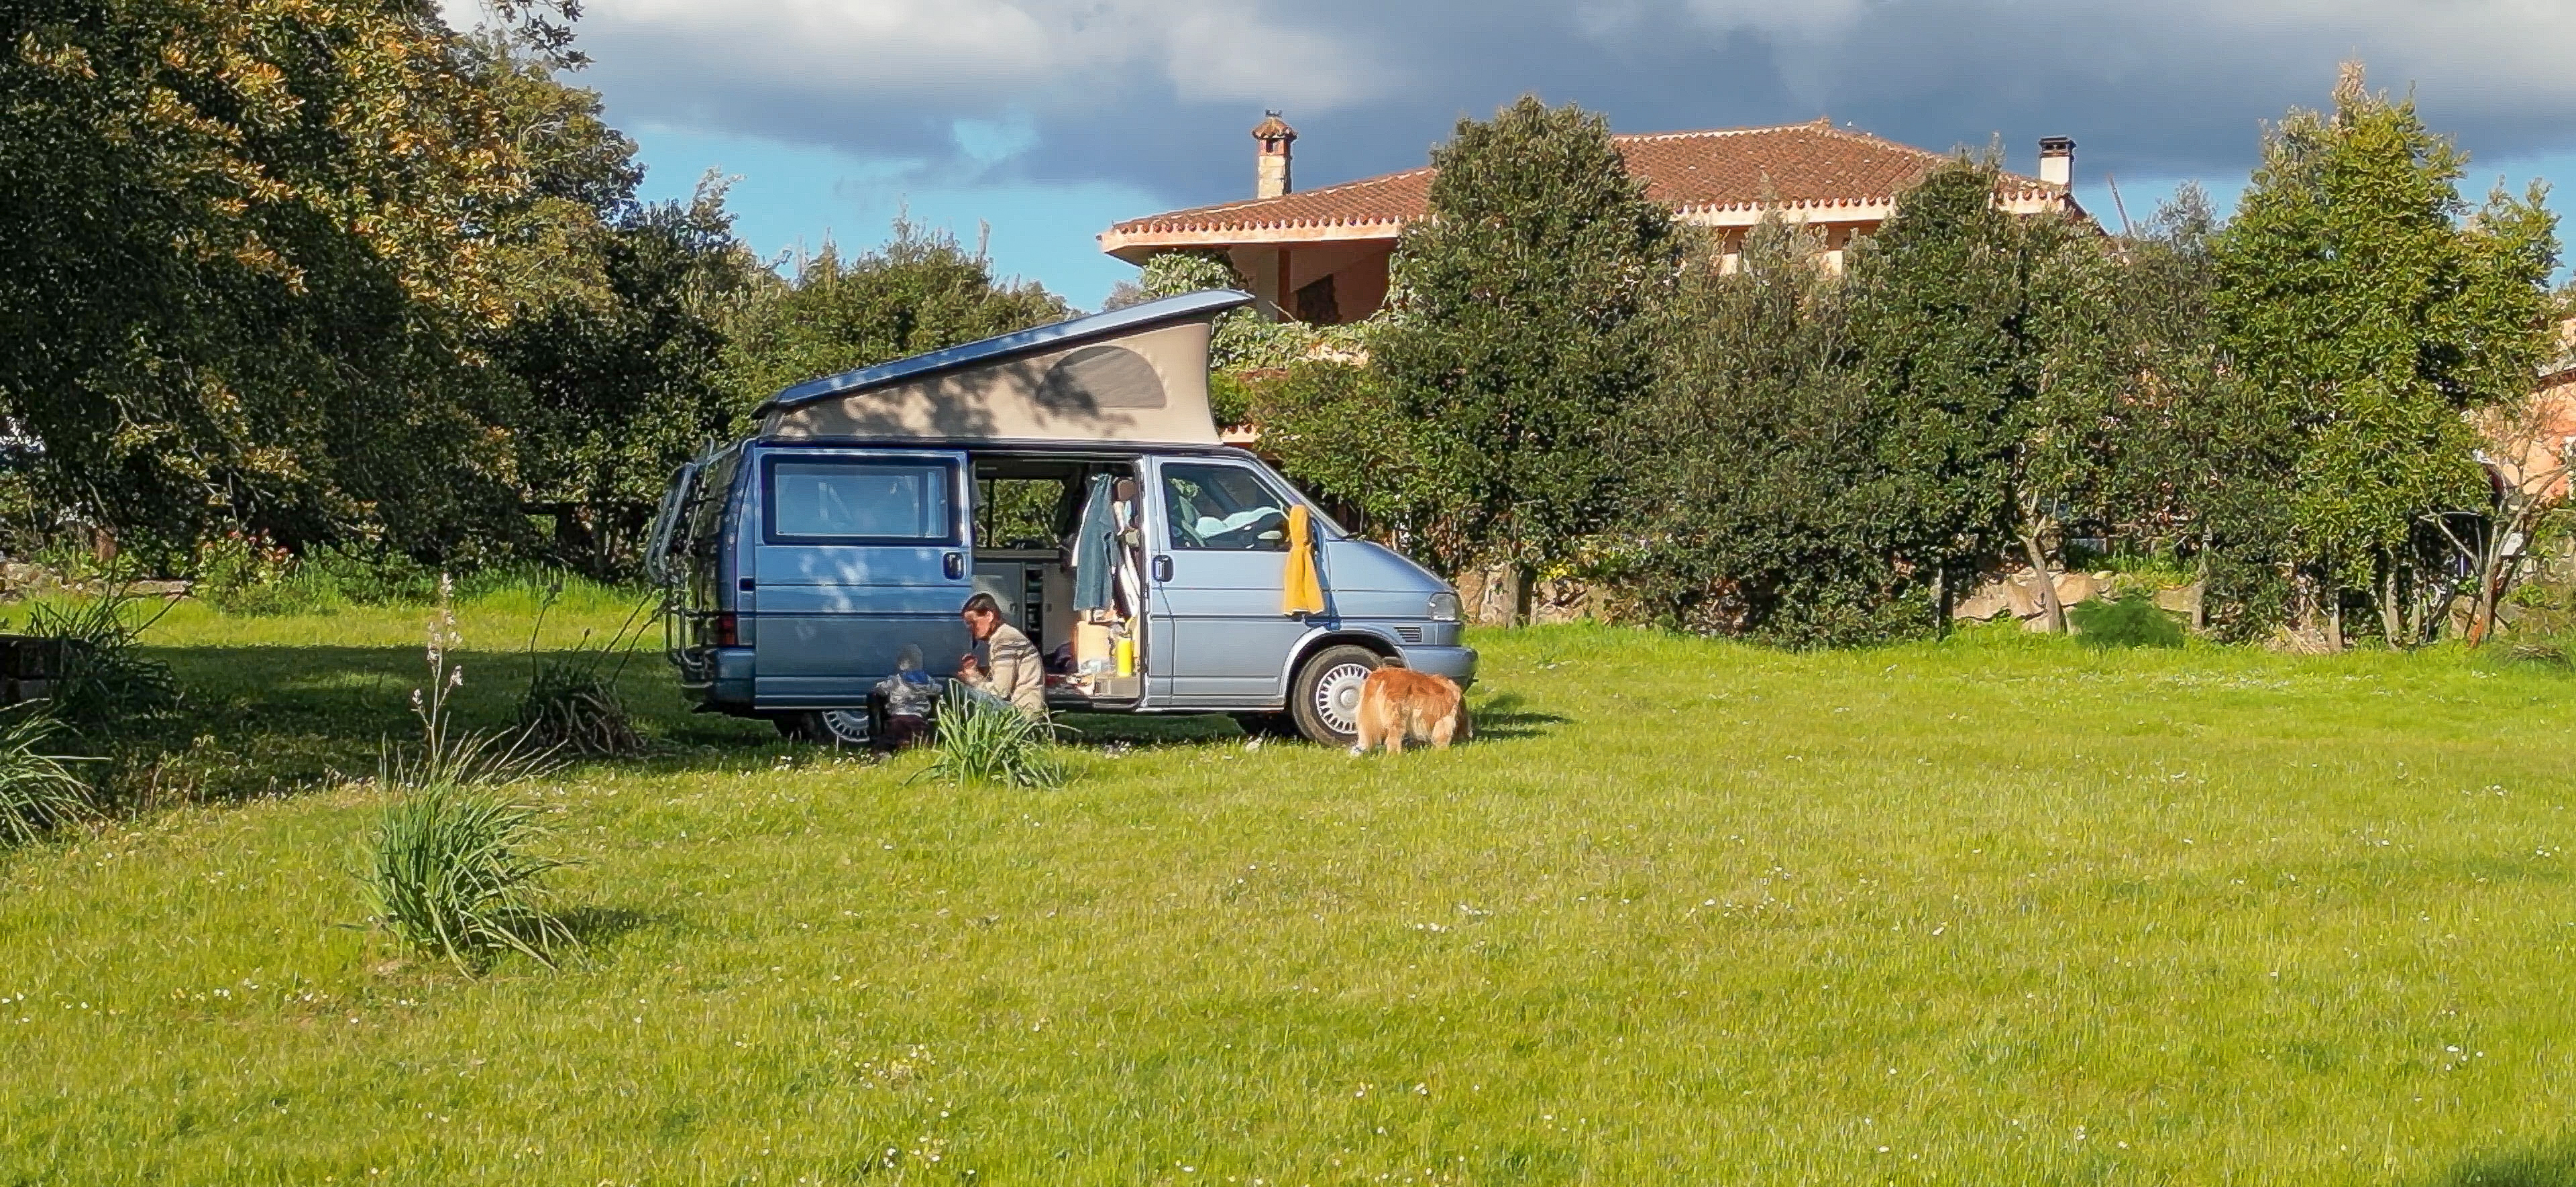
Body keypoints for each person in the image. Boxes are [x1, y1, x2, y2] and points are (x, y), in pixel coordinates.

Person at [955, 592, 1046, 718]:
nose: (971, 628)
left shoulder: (1005, 641)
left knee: (957, 691)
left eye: (973, 622)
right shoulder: (1004, 636)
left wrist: (971, 680)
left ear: (989, 615)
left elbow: (1000, 692)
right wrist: (975, 673)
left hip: (1022, 714)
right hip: (1024, 709)